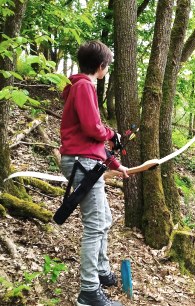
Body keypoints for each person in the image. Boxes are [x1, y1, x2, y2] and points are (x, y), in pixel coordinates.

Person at [59, 40, 128, 306]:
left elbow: (92, 140)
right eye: (107, 66)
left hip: (85, 160)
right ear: (101, 67)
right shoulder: (85, 86)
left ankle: (100, 270)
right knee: (94, 226)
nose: (106, 69)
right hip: (82, 163)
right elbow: (93, 129)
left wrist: (115, 164)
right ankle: (88, 291)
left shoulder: (78, 87)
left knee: (104, 219)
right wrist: (113, 134)